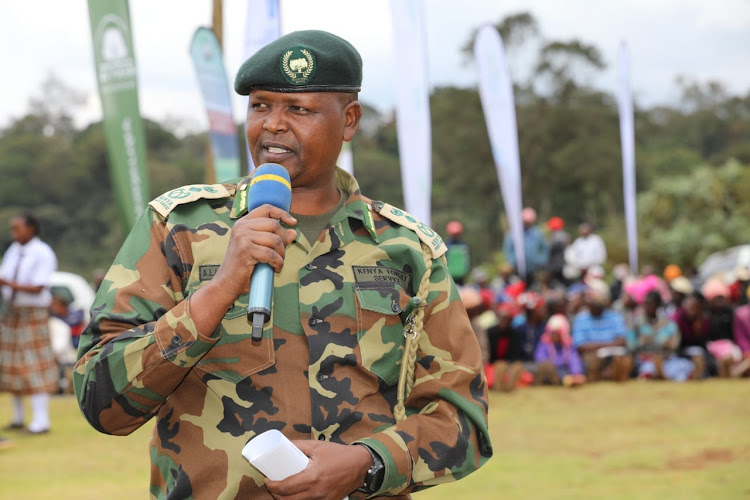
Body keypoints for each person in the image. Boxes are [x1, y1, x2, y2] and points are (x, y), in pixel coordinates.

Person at [74, 30, 491, 499]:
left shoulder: (407, 249)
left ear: (349, 119)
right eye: (259, 105)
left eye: (299, 109)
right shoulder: (178, 230)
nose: (272, 125)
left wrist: (367, 462)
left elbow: (462, 419)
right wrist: (217, 292)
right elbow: (100, 401)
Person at [0, 214, 58, 434]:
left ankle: (41, 421)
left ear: (31, 228)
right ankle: (17, 417)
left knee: (35, 364)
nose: (14, 233)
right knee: (11, 364)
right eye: (12, 229)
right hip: (11, 313)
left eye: (18, 228)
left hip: (33, 313)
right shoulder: (14, 251)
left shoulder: (42, 253)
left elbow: (38, 287)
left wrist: (8, 283)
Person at [626, 291, 694, 381]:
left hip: (667, 360)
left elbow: (674, 345)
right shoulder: (636, 324)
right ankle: (656, 374)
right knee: (648, 368)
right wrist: (644, 344)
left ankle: (662, 374)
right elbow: (631, 345)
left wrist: (660, 350)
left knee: (685, 366)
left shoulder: (669, 324)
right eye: (646, 304)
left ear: (658, 305)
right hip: (644, 360)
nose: (647, 307)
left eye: (651, 304)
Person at [571, 280, 631, 382]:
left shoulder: (614, 317)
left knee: (623, 360)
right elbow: (580, 346)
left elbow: (622, 341)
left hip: (613, 353)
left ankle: (612, 373)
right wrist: (606, 345)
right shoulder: (580, 319)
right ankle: (602, 374)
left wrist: (601, 346)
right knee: (592, 361)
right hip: (592, 354)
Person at [534, 313, 585, 386]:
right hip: (551, 371)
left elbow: (573, 359)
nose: (554, 335)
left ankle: (573, 379)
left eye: (557, 333)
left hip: (566, 370)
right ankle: (565, 380)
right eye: (552, 333)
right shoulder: (544, 343)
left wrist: (576, 373)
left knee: (580, 367)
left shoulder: (568, 344)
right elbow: (540, 358)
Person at [502, 207, 549, 286]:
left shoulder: (537, 233)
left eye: (528, 222)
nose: (526, 224)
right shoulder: (513, 234)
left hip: (533, 269)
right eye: (525, 222)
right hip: (516, 270)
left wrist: (540, 260)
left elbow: (545, 249)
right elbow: (507, 250)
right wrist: (513, 261)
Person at [444, 220, 471, 285]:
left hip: (461, 275)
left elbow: (467, 260)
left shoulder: (464, 245)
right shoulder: (446, 245)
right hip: (450, 275)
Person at [545, 216, 569, 287]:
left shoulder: (556, 237)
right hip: (561, 264)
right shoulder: (564, 236)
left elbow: (549, 250)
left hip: (556, 266)